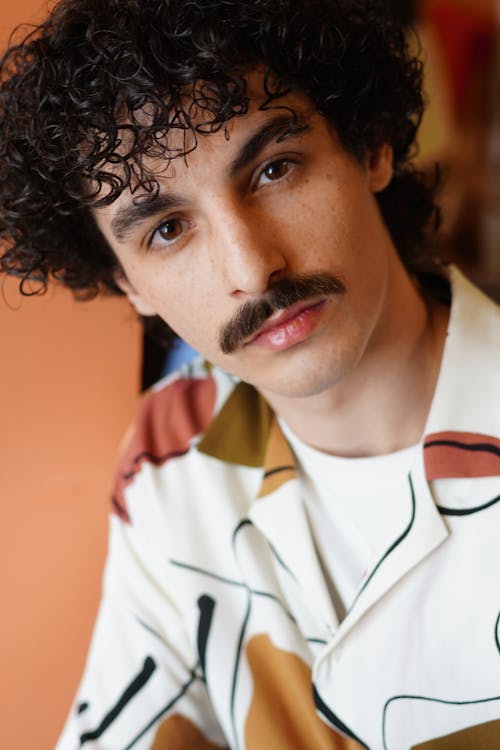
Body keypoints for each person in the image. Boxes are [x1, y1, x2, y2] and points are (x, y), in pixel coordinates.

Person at [1, 1, 499, 748]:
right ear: (127, 282)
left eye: (274, 169)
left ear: (369, 147)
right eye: (168, 229)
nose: (251, 267)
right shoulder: (171, 448)